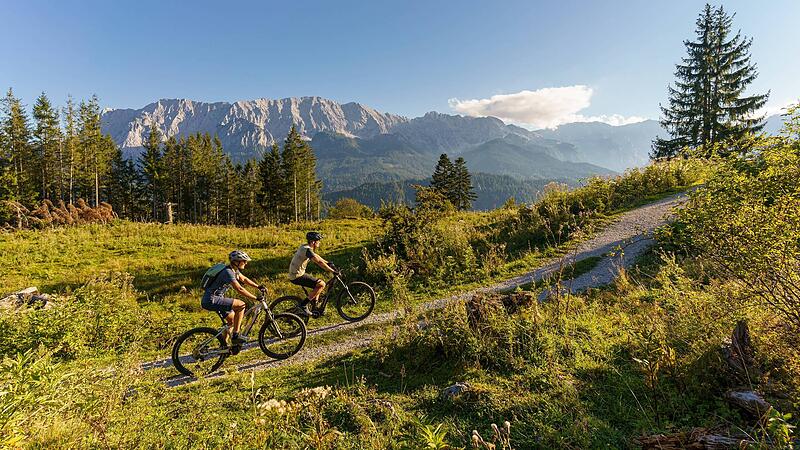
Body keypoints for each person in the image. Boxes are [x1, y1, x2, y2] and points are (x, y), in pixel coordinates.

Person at [201, 250, 265, 351]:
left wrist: (258, 286)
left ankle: (223, 346)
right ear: (237, 261)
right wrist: (255, 298)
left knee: (231, 321)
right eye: (244, 261)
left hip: (216, 298)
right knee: (241, 305)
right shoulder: (228, 272)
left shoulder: (233, 270)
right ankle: (236, 336)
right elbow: (239, 289)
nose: (246, 263)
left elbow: (244, 279)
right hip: (211, 299)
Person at [288, 231, 338, 317]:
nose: (319, 242)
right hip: (297, 276)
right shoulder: (307, 250)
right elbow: (318, 262)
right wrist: (332, 270)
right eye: (318, 241)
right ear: (313, 242)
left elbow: (316, 256)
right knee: (321, 284)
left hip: (296, 274)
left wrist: (328, 262)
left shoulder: (305, 247)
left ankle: (315, 307)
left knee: (317, 285)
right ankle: (303, 305)